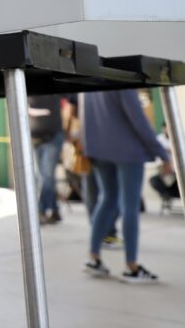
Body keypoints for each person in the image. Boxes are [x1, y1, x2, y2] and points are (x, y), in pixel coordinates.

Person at [81, 90, 172, 283]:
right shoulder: (122, 78)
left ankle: (94, 257)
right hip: (128, 151)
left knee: (107, 198)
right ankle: (132, 266)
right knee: (129, 206)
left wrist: (89, 148)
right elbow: (137, 119)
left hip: (99, 149)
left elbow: (85, 114)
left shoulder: (89, 75)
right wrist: (162, 153)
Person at [28, 94, 71, 224]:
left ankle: (41, 210)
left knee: (46, 176)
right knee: (42, 176)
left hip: (53, 137)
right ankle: (54, 210)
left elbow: (69, 104)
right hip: (35, 138)